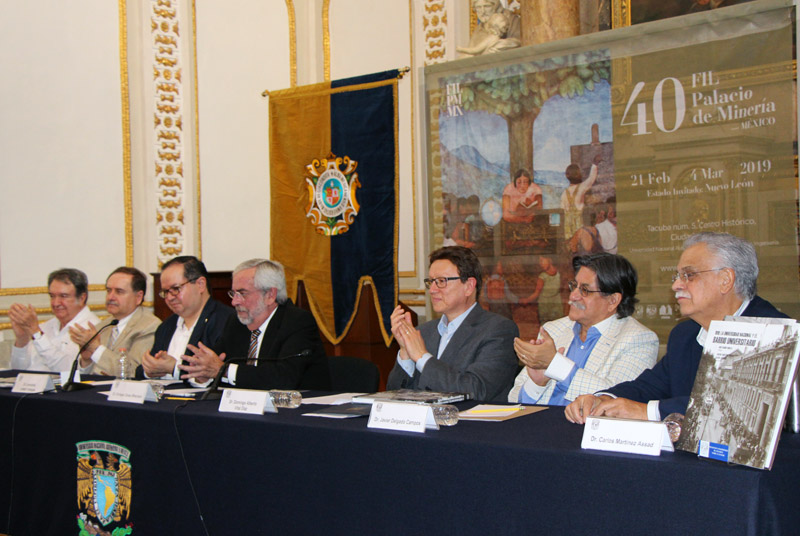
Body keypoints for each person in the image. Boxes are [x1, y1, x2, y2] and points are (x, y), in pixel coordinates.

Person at [565, 232, 789, 423]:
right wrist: (604, 398)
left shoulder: (771, 332)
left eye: (688, 275)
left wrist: (647, 412)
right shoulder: (686, 335)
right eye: (677, 276)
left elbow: (732, 409)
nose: (675, 285)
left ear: (725, 280)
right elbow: (648, 387)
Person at [509, 253, 658, 405]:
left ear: (613, 300)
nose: (573, 296)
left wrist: (555, 365)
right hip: (539, 423)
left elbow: (618, 399)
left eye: (585, 290)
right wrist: (537, 383)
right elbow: (513, 399)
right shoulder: (553, 330)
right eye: (574, 286)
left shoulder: (638, 339)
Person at [387, 246, 519, 402]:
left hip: (470, 424)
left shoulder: (499, 330)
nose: (433, 290)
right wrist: (406, 353)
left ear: (469, 286)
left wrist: (422, 357)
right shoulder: (423, 331)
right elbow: (393, 394)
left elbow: (476, 390)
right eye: (431, 282)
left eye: (441, 281)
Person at [178, 258, 330, 390]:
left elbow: (283, 378)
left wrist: (223, 371)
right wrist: (202, 376)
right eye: (233, 293)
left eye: (242, 293)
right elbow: (213, 366)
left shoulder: (297, 321)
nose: (234, 301)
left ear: (270, 295)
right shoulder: (236, 323)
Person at [136, 256, 234, 380]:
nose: (170, 297)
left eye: (176, 289)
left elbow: (220, 377)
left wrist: (174, 368)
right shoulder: (166, 326)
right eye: (165, 292)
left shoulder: (227, 322)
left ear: (200, 284)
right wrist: (149, 369)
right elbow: (141, 371)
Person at [69, 267, 160, 377]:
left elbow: (134, 372)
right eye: (108, 290)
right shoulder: (103, 326)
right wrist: (86, 360)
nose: (111, 297)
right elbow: (88, 375)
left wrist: (96, 349)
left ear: (138, 297)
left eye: (119, 291)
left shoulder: (150, 327)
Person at [10, 268, 100, 372]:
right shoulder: (46, 326)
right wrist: (22, 340)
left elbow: (69, 372)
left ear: (82, 298)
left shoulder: (93, 329)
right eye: (52, 296)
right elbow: (17, 371)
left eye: (63, 296)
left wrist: (37, 334)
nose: (56, 303)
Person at [561, 158, 599, 240]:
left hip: (568, 228)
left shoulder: (564, 193)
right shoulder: (581, 188)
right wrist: (595, 164)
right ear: (578, 175)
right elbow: (591, 178)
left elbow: (562, 210)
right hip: (579, 225)